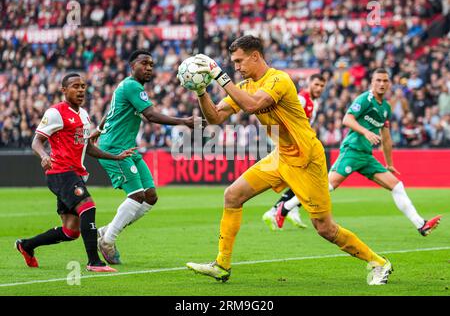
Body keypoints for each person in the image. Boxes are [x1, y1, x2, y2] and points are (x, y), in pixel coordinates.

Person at [185, 35, 392, 285]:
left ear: (255, 56)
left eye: (239, 61)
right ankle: (221, 265)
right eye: (233, 63)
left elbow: (252, 106)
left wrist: (220, 76)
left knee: (325, 228)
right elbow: (216, 117)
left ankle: (378, 262)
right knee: (232, 195)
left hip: (307, 159)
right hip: (281, 156)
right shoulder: (244, 86)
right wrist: (201, 91)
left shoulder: (278, 79)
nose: (236, 67)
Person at [16, 73, 136, 272]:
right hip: (60, 172)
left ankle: (27, 245)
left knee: (70, 231)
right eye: (75, 86)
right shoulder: (56, 112)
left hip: (74, 174)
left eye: (83, 86)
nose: (81, 90)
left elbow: (87, 147)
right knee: (88, 207)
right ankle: (94, 262)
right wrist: (44, 155)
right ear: (64, 90)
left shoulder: (84, 115)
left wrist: (116, 157)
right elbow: (36, 141)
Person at [91, 50, 199, 264]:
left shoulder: (127, 86)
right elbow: (150, 115)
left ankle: (106, 231)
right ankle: (108, 241)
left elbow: (111, 111)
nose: (149, 67)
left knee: (150, 196)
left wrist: (98, 128)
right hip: (115, 148)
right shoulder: (132, 86)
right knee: (137, 195)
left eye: (151, 64)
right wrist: (183, 121)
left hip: (128, 147)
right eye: (144, 63)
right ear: (132, 66)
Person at [325, 68, 441, 236]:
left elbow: (386, 139)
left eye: (385, 81)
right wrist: (365, 132)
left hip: (366, 156)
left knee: (397, 186)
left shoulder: (386, 107)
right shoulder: (365, 99)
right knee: (328, 186)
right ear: (372, 82)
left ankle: (421, 225)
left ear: (389, 84)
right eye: (378, 80)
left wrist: (390, 164)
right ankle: (285, 207)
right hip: (352, 151)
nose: (381, 84)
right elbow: (347, 119)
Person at [262, 73, 326, 230]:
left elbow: (306, 124)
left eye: (322, 86)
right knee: (307, 181)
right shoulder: (302, 98)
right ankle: (282, 210)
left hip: (302, 144)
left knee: (303, 181)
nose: (319, 88)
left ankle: (289, 209)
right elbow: (287, 118)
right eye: (316, 84)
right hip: (292, 145)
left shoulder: (315, 102)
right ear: (309, 83)